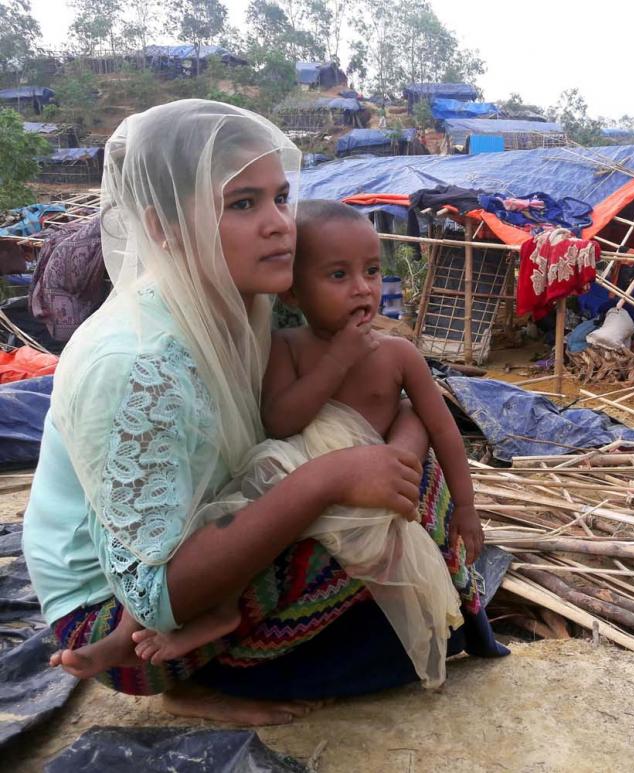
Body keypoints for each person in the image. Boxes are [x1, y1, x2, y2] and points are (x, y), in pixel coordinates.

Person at [23, 99, 504, 726]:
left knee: (411, 488)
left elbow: (402, 409)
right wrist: (331, 477)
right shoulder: (136, 361)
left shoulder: (243, 308)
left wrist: (398, 444)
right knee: (383, 518)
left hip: (213, 537)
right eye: (243, 203)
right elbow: (156, 596)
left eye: (280, 197)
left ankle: (293, 649)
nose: (281, 224)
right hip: (119, 626)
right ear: (164, 227)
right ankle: (208, 678)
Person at [87, 201, 486, 687]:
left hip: (357, 495)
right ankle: (145, 624)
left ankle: (239, 627)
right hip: (291, 476)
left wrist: (465, 507)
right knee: (216, 526)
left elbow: (442, 429)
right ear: (294, 293)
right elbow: (280, 420)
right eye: (338, 275)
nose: (362, 288)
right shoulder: (287, 346)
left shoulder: (400, 354)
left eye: (373, 271)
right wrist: (336, 361)